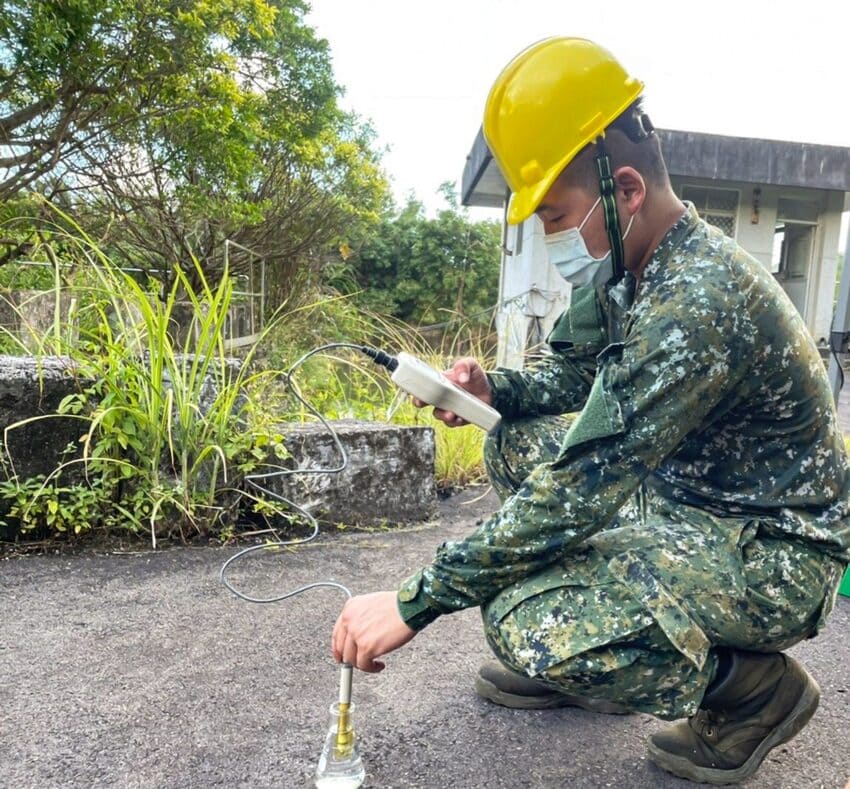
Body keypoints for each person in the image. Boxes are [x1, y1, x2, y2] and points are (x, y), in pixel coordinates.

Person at [331, 37, 850, 785]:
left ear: (626, 190)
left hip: (774, 551)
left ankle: (752, 693)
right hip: (693, 498)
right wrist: (492, 391)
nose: (551, 236)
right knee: (511, 443)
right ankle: (604, 659)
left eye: (555, 215)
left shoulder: (695, 300)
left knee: (522, 619)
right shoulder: (629, 268)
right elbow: (573, 376)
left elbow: (581, 485)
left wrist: (415, 600)